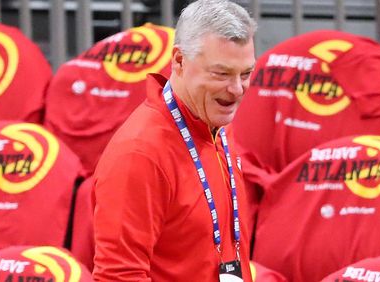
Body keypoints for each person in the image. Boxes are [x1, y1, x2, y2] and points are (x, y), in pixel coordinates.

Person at [92, 0, 257, 281]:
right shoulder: (140, 154)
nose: (237, 89)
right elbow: (118, 275)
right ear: (179, 61)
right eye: (221, 74)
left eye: (246, 73)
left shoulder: (216, 123)